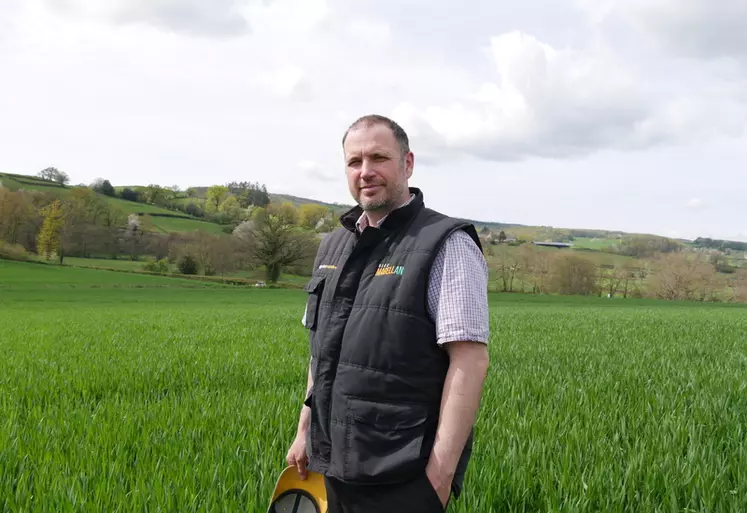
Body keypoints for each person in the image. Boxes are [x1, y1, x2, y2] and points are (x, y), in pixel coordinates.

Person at [285, 114, 490, 512]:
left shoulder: (446, 244)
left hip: (403, 473)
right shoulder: (332, 247)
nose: (365, 172)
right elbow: (321, 353)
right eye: (354, 161)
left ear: (407, 164)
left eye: (378, 158)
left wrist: (439, 476)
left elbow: (469, 359)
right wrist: (304, 432)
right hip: (330, 465)